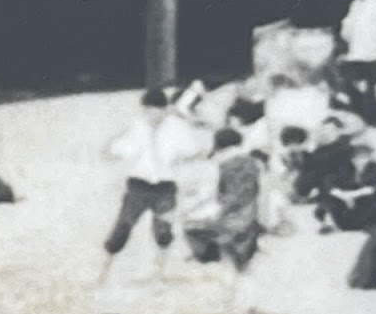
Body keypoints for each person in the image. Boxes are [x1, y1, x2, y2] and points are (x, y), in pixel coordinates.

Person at [97, 88, 204, 286]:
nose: (154, 115)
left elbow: (195, 151)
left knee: (163, 231)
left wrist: (182, 162)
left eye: (158, 111)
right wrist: (112, 145)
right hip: (138, 185)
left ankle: (159, 274)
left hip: (165, 185)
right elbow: (113, 151)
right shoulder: (136, 127)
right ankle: (103, 273)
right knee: (123, 227)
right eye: (149, 111)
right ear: (144, 110)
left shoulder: (178, 127)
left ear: (165, 110)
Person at [184, 128, 261, 274]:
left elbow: (229, 198)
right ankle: (240, 247)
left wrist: (210, 211)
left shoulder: (225, 165)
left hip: (235, 216)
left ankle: (209, 255)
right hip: (252, 213)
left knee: (190, 226)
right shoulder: (252, 162)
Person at [315, 138, 376, 233]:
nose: (360, 161)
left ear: (369, 158)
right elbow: (328, 183)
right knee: (328, 201)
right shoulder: (344, 169)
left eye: (364, 157)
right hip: (351, 203)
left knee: (374, 208)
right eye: (356, 157)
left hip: (370, 202)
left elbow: (373, 189)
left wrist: (349, 195)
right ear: (351, 159)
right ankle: (330, 222)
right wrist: (341, 194)